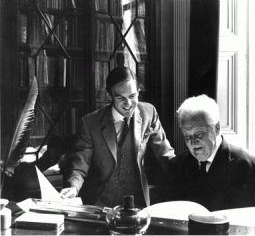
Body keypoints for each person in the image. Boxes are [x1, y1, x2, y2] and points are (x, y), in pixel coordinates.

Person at [167, 94, 255, 228]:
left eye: (199, 134)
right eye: (187, 136)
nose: (193, 142)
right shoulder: (177, 165)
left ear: (217, 128)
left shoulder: (251, 164)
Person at [60, 66, 175, 208]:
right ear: (110, 97)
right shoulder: (90, 123)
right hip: (99, 202)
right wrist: (73, 188)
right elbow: (80, 165)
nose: (128, 104)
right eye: (121, 98)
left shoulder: (149, 113)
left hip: (137, 203)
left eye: (133, 96)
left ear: (138, 92)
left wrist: (189, 172)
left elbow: (165, 154)